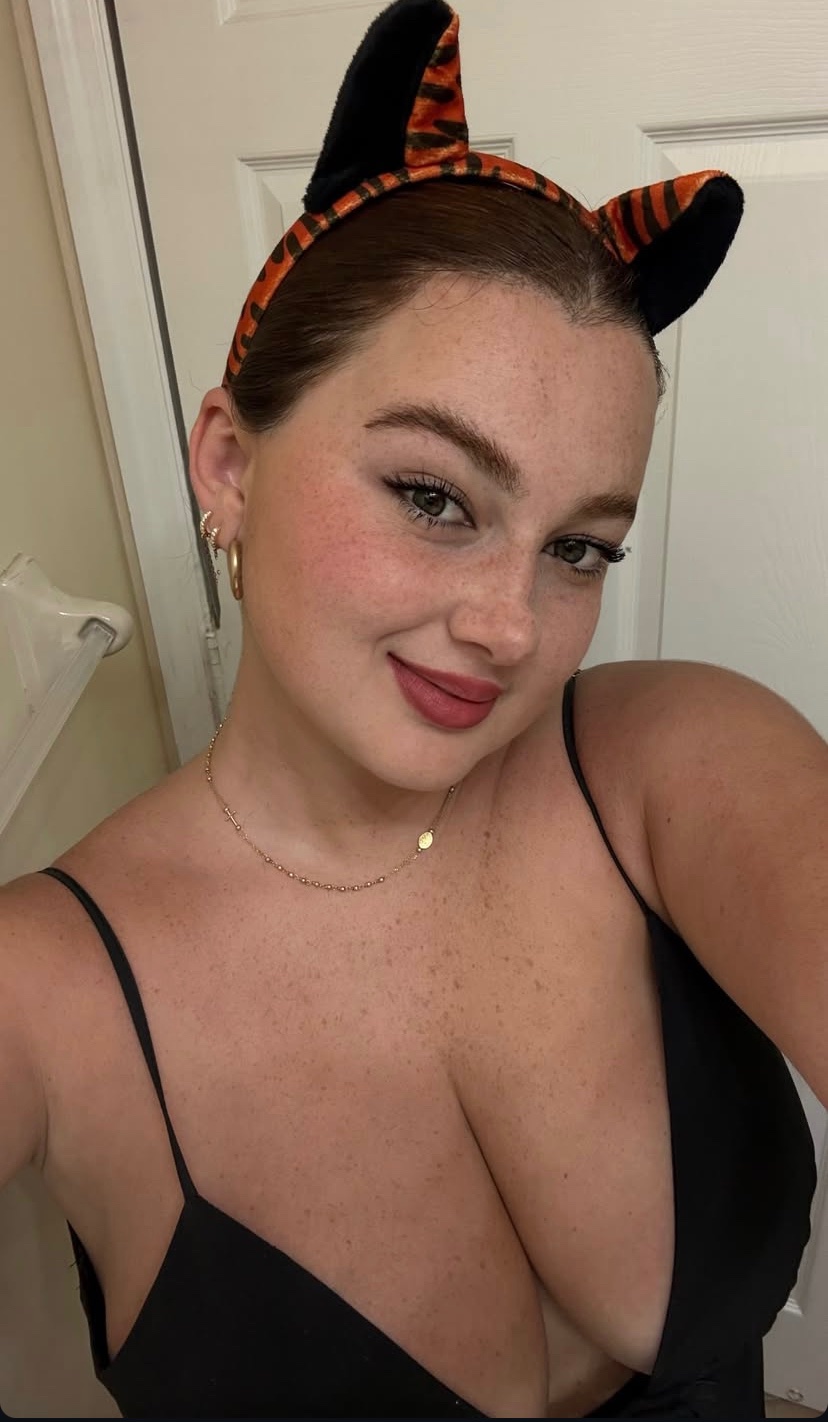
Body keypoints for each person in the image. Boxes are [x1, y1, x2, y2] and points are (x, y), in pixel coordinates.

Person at [1, 0, 823, 1417]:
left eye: (581, 547)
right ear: (228, 464)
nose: (513, 626)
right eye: (434, 496)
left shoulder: (669, 759)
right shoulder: (43, 989)